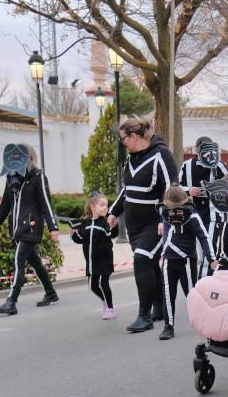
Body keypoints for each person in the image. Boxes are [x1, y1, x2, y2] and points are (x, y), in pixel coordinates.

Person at [108, 117, 178, 333]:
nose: (122, 143)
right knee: (149, 262)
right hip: (134, 226)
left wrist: (164, 220)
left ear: (134, 136)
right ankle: (159, 308)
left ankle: (144, 315)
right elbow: (128, 189)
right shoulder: (133, 158)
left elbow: (172, 189)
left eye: (123, 139)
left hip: (154, 223)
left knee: (141, 260)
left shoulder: (161, 154)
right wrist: (114, 211)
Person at [0, 144, 60, 315]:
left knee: (18, 261)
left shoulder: (38, 176)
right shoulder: (11, 178)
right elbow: (4, 204)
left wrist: (53, 227)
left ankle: (11, 302)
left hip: (31, 227)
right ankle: (51, 293)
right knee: (34, 261)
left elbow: (46, 203)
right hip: (17, 228)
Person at [156, 185, 215, 340]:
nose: (174, 211)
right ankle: (168, 326)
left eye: (178, 207)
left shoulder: (192, 216)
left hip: (187, 260)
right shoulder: (165, 214)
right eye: (171, 207)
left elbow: (204, 237)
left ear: (185, 201)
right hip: (169, 259)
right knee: (168, 294)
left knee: (191, 295)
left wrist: (211, 258)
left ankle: (203, 322)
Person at [70, 192, 119, 320]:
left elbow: (112, 235)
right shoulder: (85, 223)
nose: (105, 208)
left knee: (103, 283)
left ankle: (110, 309)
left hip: (105, 260)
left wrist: (114, 226)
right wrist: (73, 232)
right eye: (102, 205)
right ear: (92, 207)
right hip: (91, 262)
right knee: (92, 285)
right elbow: (79, 239)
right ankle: (105, 302)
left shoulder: (105, 222)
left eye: (106, 205)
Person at [179, 136, 228, 248]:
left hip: (213, 213)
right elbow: (178, 187)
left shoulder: (219, 165)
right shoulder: (186, 165)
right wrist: (189, 190)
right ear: (197, 151)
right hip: (193, 212)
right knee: (197, 249)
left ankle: (207, 265)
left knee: (209, 245)